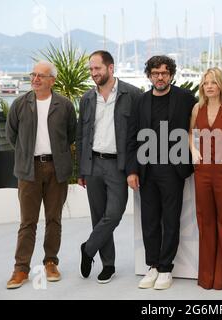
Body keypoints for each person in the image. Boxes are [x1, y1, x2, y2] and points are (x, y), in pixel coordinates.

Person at [126, 55, 196, 290]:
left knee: (171, 219)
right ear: (149, 75)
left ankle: (166, 268)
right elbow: (132, 137)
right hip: (146, 169)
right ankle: (152, 266)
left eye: (164, 73)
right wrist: (132, 170)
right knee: (150, 221)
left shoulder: (185, 98)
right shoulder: (141, 101)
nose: (160, 77)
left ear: (171, 75)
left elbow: (200, 122)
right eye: (155, 73)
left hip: (173, 168)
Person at [5, 61, 77, 289]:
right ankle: (21, 269)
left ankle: (50, 262)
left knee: (54, 219)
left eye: (41, 75)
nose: (35, 79)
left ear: (52, 80)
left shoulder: (64, 105)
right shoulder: (20, 103)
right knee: (28, 222)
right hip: (29, 170)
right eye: (33, 74)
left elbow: (71, 135)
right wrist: (28, 155)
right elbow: (11, 135)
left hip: (57, 169)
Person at [76, 50, 141, 284]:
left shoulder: (132, 94)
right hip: (93, 164)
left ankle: (88, 248)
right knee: (98, 216)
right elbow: (82, 135)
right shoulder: (86, 98)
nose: (94, 73)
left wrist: (134, 169)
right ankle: (108, 265)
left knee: (113, 214)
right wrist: (81, 170)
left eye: (98, 69)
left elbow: (139, 136)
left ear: (110, 68)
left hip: (118, 165)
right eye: (91, 69)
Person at [188, 67, 222, 290]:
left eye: (213, 82)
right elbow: (190, 132)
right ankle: (206, 277)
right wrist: (193, 150)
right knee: (205, 222)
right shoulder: (196, 108)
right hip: (202, 171)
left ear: (221, 85)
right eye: (205, 82)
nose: (209, 86)